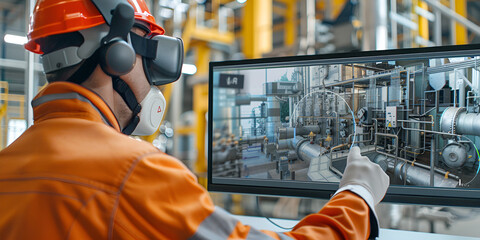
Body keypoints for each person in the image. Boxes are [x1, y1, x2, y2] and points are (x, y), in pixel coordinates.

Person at [0, 0, 389, 239]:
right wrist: (358, 197)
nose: (153, 78)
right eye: (150, 58)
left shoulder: (7, 164)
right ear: (117, 54)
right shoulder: (134, 172)